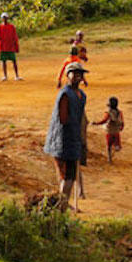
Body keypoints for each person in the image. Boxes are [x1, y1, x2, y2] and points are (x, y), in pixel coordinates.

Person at [43, 62, 88, 210]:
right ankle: (61, 208)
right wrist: (75, 135)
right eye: (74, 73)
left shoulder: (82, 95)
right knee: (67, 177)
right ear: (67, 75)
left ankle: (62, 204)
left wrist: (81, 136)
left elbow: (80, 117)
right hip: (63, 140)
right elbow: (63, 120)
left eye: (80, 74)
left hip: (74, 139)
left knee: (69, 176)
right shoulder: (65, 94)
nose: (77, 76)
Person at [93, 96, 124, 163]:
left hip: (109, 131)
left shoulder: (108, 113)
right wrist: (122, 127)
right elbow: (122, 121)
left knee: (109, 145)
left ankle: (109, 158)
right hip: (116, 131)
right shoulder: (119, 112)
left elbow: (104, 120)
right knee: (117, 145)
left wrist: (96, 123)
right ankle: (115, 148)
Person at [0, 12, 22, 81]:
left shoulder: (11, 27)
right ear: (1, 19)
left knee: (14, 61)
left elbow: (15, 37)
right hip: (3, 47)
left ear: (7, 18)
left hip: (11, 47)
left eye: (5, 18)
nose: (4, 19)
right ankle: (5, 76)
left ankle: (17, 76)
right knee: (3, 62)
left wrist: (16, 46)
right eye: (3, 18)